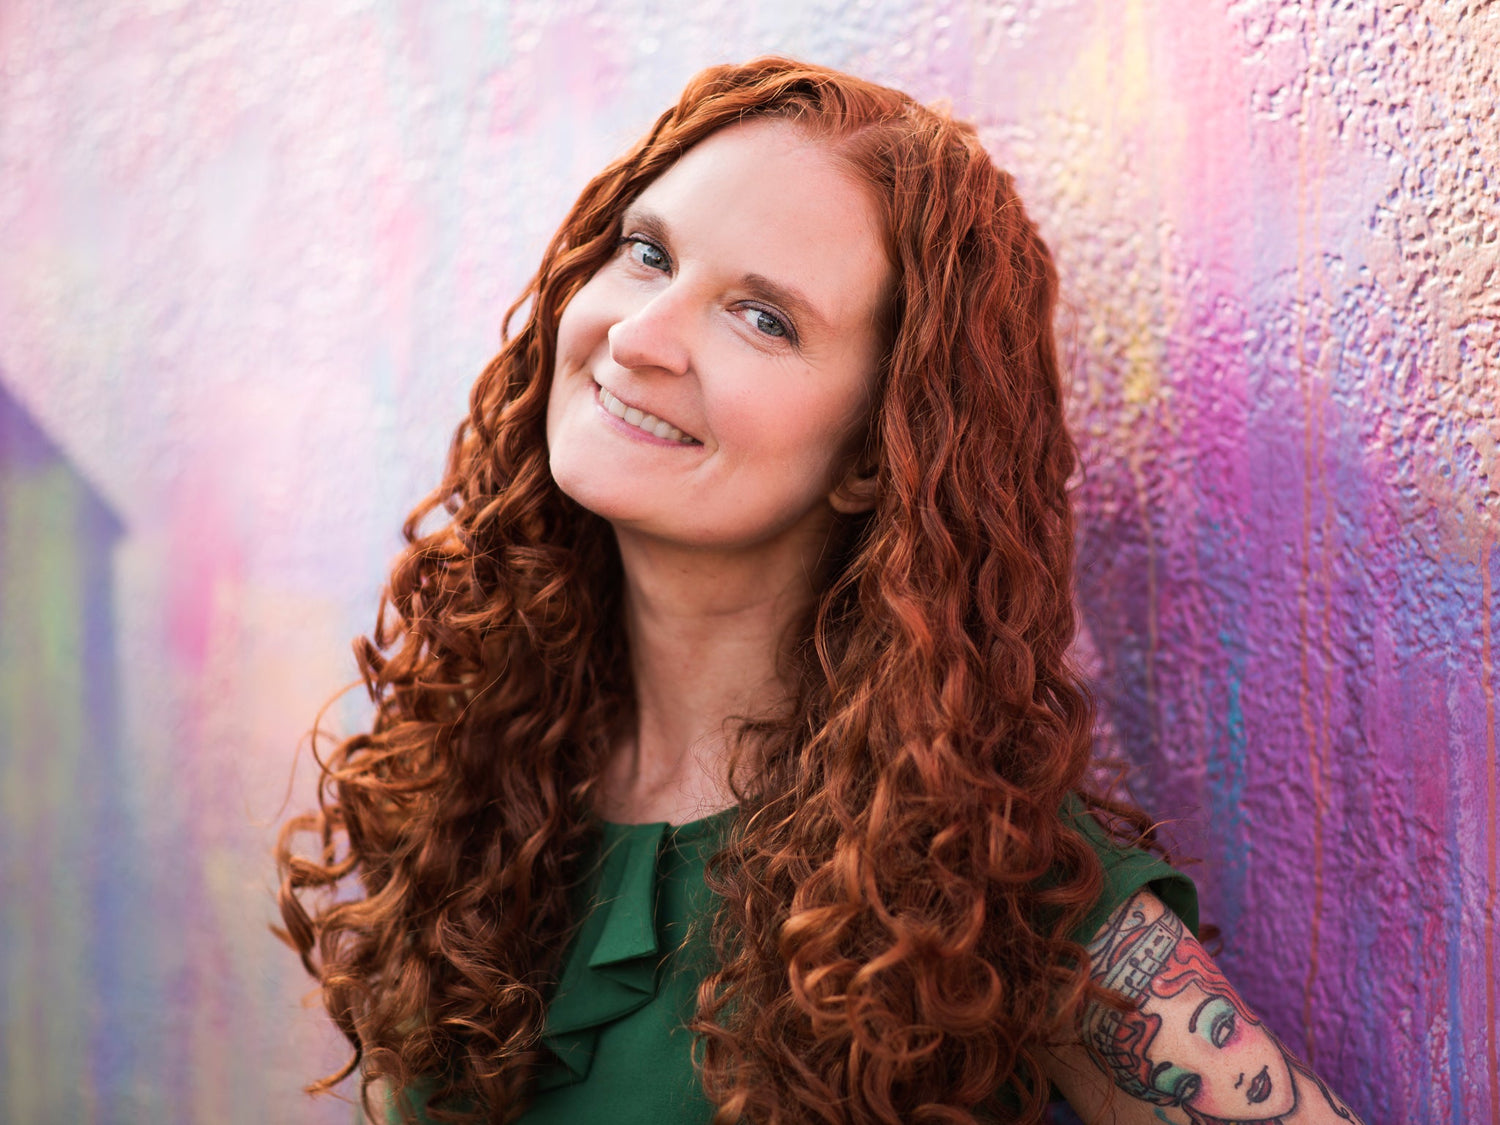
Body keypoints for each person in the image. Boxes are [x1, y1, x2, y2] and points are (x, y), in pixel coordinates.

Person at [276, 57, 1364, 1125]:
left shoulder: (975, 886)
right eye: (647, 253)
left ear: (873, 458)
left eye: (764, 318)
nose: (642, 337)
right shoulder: (474, 766)